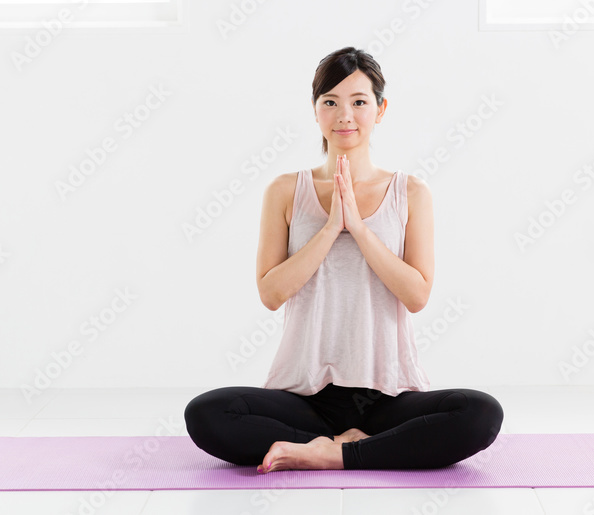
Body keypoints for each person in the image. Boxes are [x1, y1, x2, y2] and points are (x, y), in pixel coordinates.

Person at [184, 46, 503, 473]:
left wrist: (360, 228)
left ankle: (327, 453)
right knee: (207, 413)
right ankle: (351, 447)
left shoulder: (410, 193)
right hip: (305, 398)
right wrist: (331, 227)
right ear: (315, 110)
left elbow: (417, 294)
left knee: (480, 413)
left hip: (386, 395)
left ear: (380, 109)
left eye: (359, 102)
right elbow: (271, 293)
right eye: (330, 102)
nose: (344, 115)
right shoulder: (284, 190)